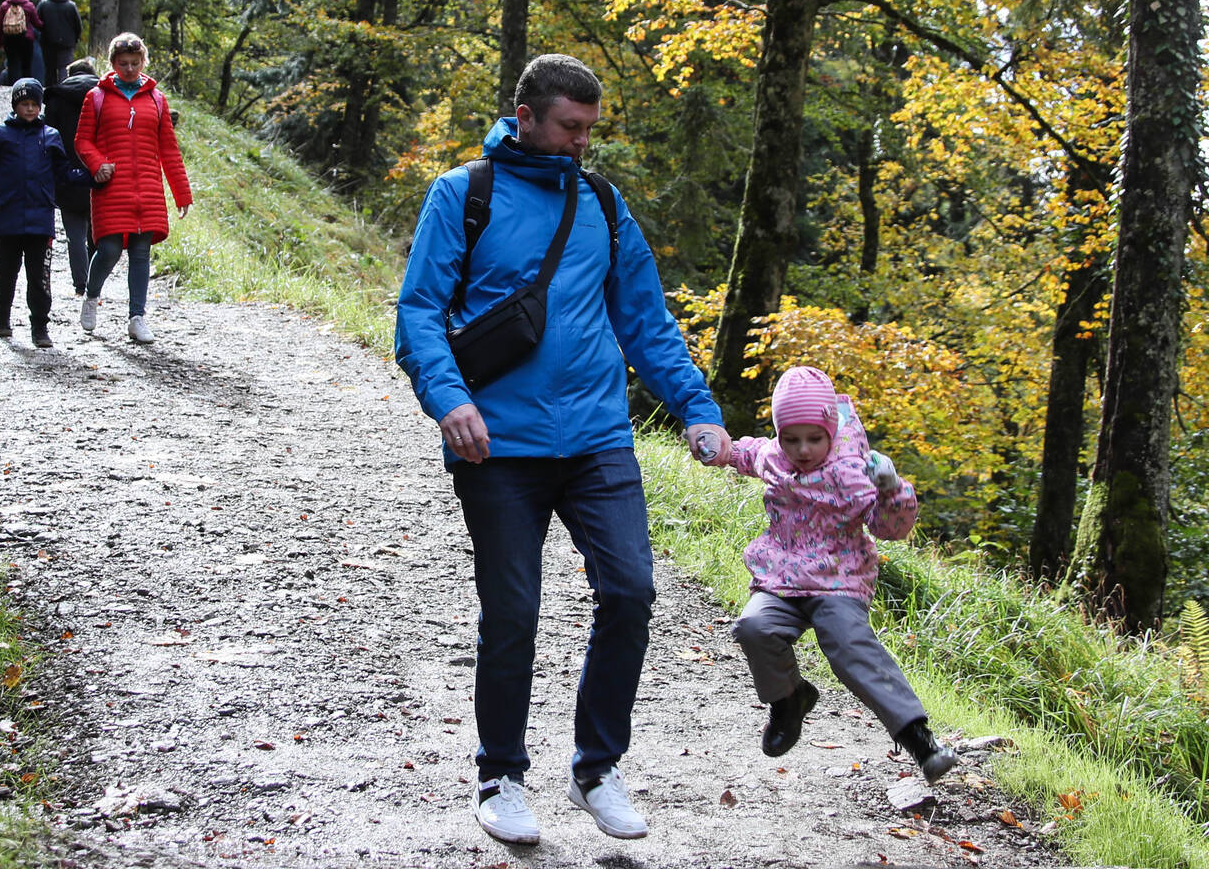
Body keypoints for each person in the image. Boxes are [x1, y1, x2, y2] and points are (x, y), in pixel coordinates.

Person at [395, 53, 730, 847]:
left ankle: (596, 769)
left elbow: (647, 322)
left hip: (597, 440)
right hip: (498, 447)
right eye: (570, 128)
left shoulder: (604, 206)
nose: (583, 143)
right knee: (513, 612)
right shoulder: (462, 196)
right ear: (527, 119)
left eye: (590, 129)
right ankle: (500, 774)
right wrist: (450, 402)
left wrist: (697, 409)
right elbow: (418, 312)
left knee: (632, 592)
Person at [691, 365, 960, 783]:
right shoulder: (774, 458)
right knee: (753, 627)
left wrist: (891, 490)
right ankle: (789, 700)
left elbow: (892, 530)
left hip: (839, 581)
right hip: (781, 579)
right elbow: (744, 452)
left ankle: (919, 739)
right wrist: (717, 448)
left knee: (849, 647)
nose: (801, 449)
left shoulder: (853, 471)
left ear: (831, 432)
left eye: (814, 439)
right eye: (791, 438)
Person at [74, 32, 192, 344]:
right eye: (123, 63)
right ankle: (91, 296)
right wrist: (98, 164)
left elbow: (168, 149)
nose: (129, 68)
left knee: (141, 253)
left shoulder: (157, 99)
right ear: (112, 63)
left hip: (148, 188)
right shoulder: (96, 97)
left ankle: (137, 318)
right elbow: (82, 140)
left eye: (135, 63)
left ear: (143, 62)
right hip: (111, 186)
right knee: (109, 249)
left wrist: (182, 193)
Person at [0, 79, 75, 348]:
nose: (29, 109)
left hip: (40, 221)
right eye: (24, 104)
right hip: (8, 218)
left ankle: (40, 327)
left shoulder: (50, 136)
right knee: (5, 273)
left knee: (39, 276)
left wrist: (93, 177)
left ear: (40, 107)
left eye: (34, 105)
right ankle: (1, 318)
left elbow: (63, 173)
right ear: (15, 106)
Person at [44, 56, 100, 295]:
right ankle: (97, 282)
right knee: (98, 232)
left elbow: (46, 138)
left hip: (66, 173)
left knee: (74, 234)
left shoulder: (56, 99)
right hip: (100, 172)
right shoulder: (104, 96)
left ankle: (81, 284)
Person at [35, 0, 82, 85]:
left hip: (47, 42)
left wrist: (43, 33)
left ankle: (49, 90)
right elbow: (78, 25)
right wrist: (75, 39)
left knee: (49, 68)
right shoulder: (71, 5)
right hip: (67, 43)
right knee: (64, 68)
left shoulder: (44, 4)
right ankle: (64, 88)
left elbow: (36, 21)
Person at [0, 0, 41, 85]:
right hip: (26, 38)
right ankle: (27, 85)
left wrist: (0, 42)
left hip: (9, 38)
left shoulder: (5, 6)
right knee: (26, 64)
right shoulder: (29, 6)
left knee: (12, 64)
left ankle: (13, 86)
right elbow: (37, 23)